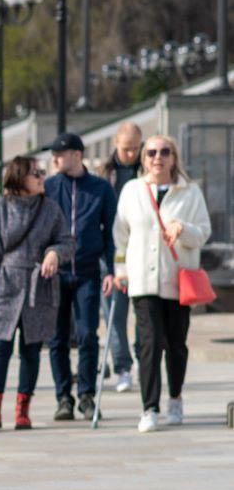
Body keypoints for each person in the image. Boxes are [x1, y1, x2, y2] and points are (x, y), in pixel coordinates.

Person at [113, 133, 213, 432]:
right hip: (143, 280)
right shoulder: (132, 190)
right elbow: (121, 235)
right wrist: (120, 270)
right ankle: (150, 407)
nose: (158, 158)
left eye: (164, 152)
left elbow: (203, 233)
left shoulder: (190, 192)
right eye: (152, 152)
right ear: (143, 159)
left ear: (174, 157)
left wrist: (183, 229)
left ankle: (176, 398)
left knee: (176, 345)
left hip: (178, 280)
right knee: (149, 343)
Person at [0, 156, 70, 431]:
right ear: (21, 177)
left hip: (39, 286)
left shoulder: (51, 209)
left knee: (31, 349)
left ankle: (23, 409)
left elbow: (67, 241)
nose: (42, 177)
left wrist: (55, 253)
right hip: (3, 285)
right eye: (37, 173)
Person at [43, 132, 118, 422]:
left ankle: (86, 395)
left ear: (76, 155)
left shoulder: (100, 189)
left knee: (88, 334)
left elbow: (110, 233)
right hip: (56, 274)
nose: (55, 160)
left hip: (88, 271)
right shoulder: (49, 188)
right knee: (57, 337)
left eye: (59, 154)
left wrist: (112, 269)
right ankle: (64, 397)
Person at [98, 122, 144, 393]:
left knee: (143, 313)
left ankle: (141, 357)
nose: (131, 154)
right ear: (116, 143)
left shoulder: (147, 167)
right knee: (114, 314)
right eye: (126, 149)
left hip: (140, 251)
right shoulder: (105, 174)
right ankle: (122, 367)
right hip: (110, 252)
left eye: (135, 148)